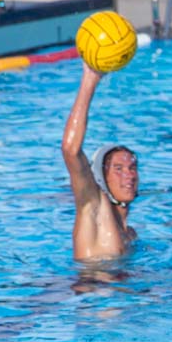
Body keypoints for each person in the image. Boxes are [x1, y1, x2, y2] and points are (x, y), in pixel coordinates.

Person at [61, 63, 139, 260]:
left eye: (132, 168)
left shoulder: (130, 233)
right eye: (118, 169)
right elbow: (70, 150)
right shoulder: (94, 206)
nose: (128, 175)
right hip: (90, 288)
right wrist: (90, 79)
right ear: (101, 179)